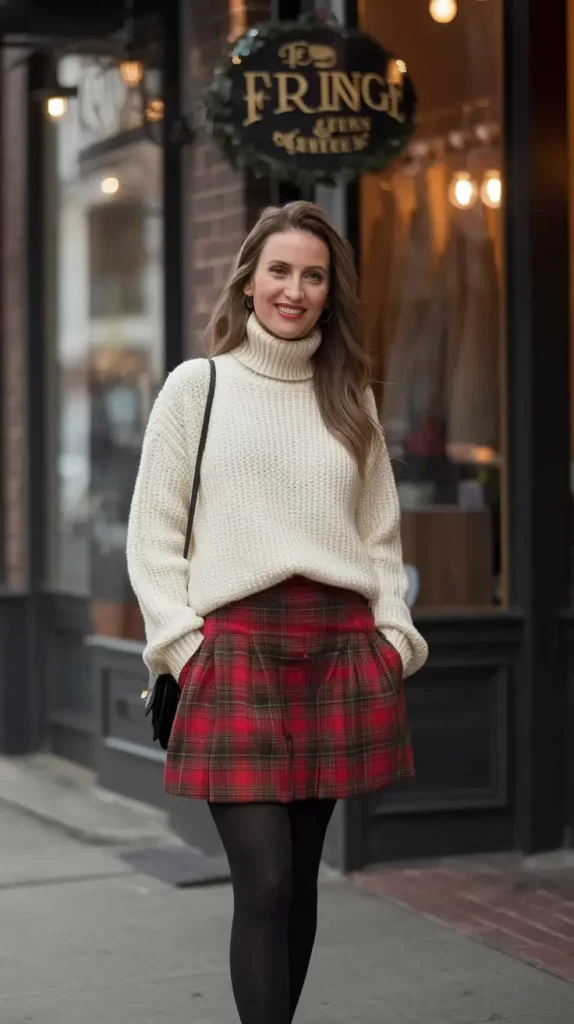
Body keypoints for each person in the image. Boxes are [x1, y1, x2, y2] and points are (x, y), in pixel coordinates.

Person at [126, 200, 428, 1024]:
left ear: (331, 294)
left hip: (338, 651)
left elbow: (378, 536)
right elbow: (153, 534)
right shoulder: (200, 385)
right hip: (235, 650)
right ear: (250, 281)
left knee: (298, 878)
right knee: (262, 882)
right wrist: (186, 650)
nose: (295, 289)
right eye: (280, 271)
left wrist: (392, 638)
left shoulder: (350, 399)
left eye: (313, 276)